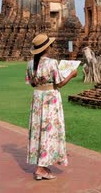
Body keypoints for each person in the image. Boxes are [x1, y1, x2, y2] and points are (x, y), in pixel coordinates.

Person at [26, 33, 77, 181]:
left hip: (37, 98)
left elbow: (32, 83)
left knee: (38, 131)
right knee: (50, 131)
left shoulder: (30, 63)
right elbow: (60, 83)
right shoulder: (52, 63)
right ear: (47, 47)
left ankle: (42, 164)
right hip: (50, 98)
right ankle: (40, 169)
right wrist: (71, 75)